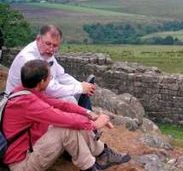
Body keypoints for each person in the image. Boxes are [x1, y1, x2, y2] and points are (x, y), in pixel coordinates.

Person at [2, 59, 130, 171]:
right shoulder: (28, 103)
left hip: (31, 148)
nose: (51, 80)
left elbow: (61, 105)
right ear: (41, 82)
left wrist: (89, 113)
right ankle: (89, 167)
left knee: (73, 120)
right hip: (22, 164)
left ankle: (102, 154)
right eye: (50, 77)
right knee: (66, 128)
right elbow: (61, 117)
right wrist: (94, 124)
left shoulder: (24, 92)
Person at [5, 24, 94, 109]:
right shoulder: (28, 58)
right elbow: (50, 89)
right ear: (38, 39)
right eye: (48, 44)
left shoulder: (44, 53)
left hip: (35, 96)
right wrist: (79, 88)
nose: (51, 49)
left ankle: (86, 114)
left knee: (71, 98)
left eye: (55, 46)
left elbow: (61, 75)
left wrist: (82, 86)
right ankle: (85, 119)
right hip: (18, 101)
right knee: (68, 101)